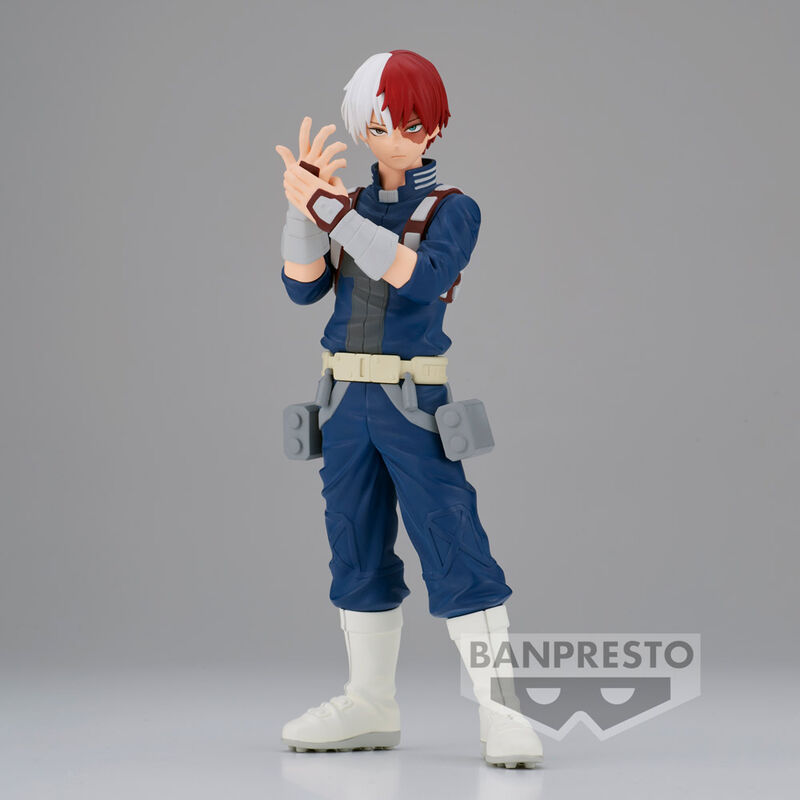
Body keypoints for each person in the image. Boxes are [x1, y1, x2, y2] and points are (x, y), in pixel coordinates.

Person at [275, 50, 543, 767]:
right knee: (354, 542)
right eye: (384, 125)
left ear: (436, 126)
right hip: (343, 403)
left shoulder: (454, 208)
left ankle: (503, 710)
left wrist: (332, 212)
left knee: (452, 539)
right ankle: (370, 702)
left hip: (411, 403)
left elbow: (421, 278)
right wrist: (302, 211)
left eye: (415, 124)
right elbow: (302, 288)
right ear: (363, 128)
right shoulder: (349, 204)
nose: (400, 137)